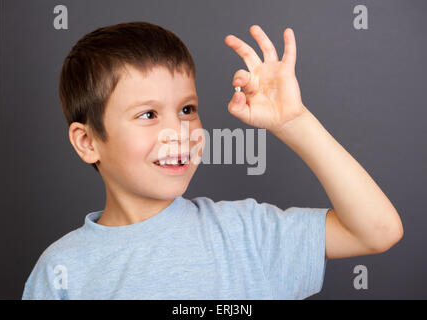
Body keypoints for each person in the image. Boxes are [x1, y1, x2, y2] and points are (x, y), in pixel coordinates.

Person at [21, 21, 403, 300]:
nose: (178, 132)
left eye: (187, 109)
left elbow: (377, 231)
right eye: (148, 115)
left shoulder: (246, 232)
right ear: (87, 142)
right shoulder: (63, 272)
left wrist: (295, 122)